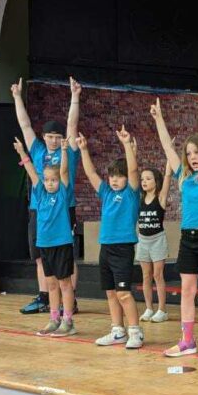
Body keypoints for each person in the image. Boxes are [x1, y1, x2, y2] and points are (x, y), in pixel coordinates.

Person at [151, 92, 198, 358]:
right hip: (188, 238)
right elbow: (167, 148)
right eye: (189, 153)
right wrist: (159, 119)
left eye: (196, 152)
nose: (192, 156)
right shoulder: (184, 176)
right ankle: (187, 340)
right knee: (186, 289)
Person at [12, 77, 82, 314]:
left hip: (64, 208)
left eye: (57, 137)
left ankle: (70, 299)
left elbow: (72, 124)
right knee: (40, 255)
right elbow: (25, 126)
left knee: (67, 256)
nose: (53, 140)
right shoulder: (39, 150)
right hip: (39, 210)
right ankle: (45, 297)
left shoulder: (68, 152)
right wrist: (17, 97)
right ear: (44, 137)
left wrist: (74, 96)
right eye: (50, 136)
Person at [77, 127, 143, 349]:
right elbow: (91, 174)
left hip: (123, 248)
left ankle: (135, 332)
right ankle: (118, 331)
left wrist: (126, 144)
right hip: (106, 247)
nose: (115, 180)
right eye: (112, 176)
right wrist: (84, 149)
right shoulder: (106, 192)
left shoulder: (131, 194)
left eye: (119, 176)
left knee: (124, 293)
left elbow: (134, 171)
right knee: (111, 293)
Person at [13, 137, 77, 336]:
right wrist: (23, 153)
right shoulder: (40, 193)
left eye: (54, 180)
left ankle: (68, 321)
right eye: (47, 180)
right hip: (45, 244)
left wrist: (65, 151)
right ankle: (54, 318)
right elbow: (32, 172)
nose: (50, 184)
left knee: (64, 282)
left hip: (62, 243)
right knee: (51, 284)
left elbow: (65, 171)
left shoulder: (63, 194)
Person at [137, 162, 172, 324]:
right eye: (142, 179)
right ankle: (149, 308)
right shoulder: (139, 198)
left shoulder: (161, 198)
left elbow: (167, 177)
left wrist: (169, 160)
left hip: (157, 240)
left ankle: (162, 309)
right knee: (146, 276)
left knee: (158, 275)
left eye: (148, 179)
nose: (144, 181)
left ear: (155, 181)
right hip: (143, 240)